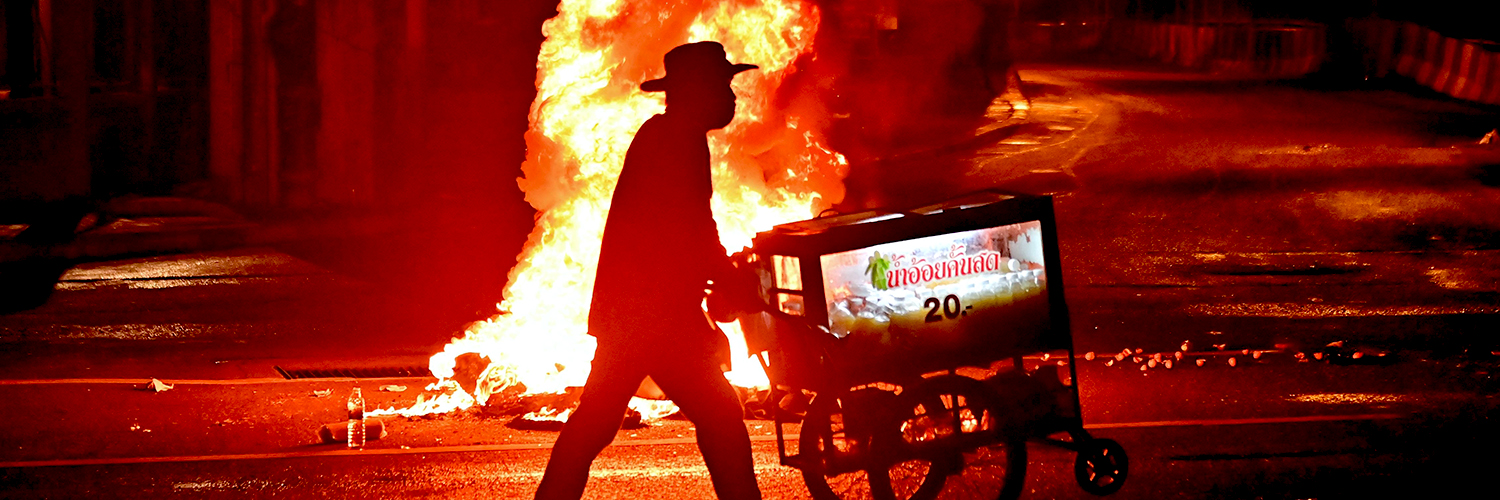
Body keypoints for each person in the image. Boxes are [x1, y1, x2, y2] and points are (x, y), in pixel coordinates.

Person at [534, 42, 763, 500]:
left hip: (640, 312)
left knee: (598, 421)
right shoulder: (676, 141)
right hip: (653, 315)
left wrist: (716, 276)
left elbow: (690, 227)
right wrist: (728, 276)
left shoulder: (670, 134)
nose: (730, 96)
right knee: (719, 415)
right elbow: (689, 226)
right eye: (722, 85)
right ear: (697, 91)